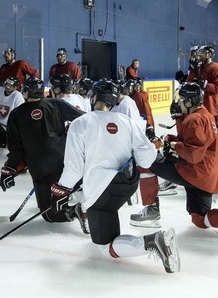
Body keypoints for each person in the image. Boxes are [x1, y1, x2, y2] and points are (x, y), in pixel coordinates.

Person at [51, 80, 180, 273]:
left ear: (93, 97)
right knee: (106, 213)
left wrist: (61, 190)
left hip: (101, 190)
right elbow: (147, 159)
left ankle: (154, 241)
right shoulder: (126, 121)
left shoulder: (80, 123)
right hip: (126, 184)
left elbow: (74, 169)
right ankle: (146, 239)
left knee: (104, 246)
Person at [130, 82, 218, 238]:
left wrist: (174, 145)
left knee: (146, 160)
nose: (178, 102)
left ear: (189, 101)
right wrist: (175, 141)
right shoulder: (205, 114)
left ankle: (151, 209)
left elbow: (194, 155)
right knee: (200, 219)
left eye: (181, 99)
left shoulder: (192, 120)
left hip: (193, 172)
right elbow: (198, 143)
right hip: (206, 175)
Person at [0, 77, 88, 233]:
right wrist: (71, 132)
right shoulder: (55, 104)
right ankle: (86, 204)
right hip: (67, 166)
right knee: (79, 185)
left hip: (41, 172)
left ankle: (75, 211)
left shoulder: (16, 114)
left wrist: (9, 169)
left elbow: (16, 151)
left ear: (26, 92)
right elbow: (85, 119)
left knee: (49, 214)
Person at [186, 45, 218, 117]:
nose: (199, 54)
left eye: (202, 52)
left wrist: (206, 85)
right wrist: (192, 70)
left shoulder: (217, 68)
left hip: (213, 108)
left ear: (209, 55)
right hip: (200, 107)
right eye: (199, 52)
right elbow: (188, 84)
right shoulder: (198, 68)